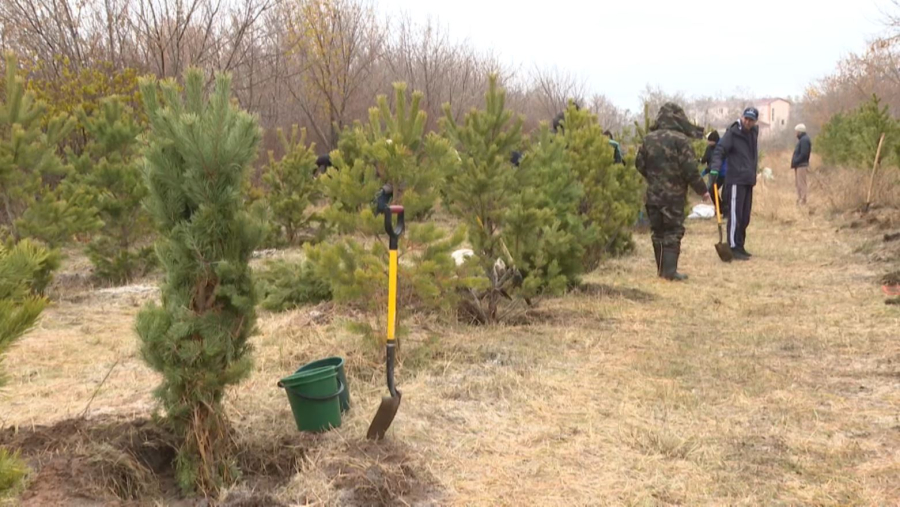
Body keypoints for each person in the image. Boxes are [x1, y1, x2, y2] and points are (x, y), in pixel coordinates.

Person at [636, 102, 711, 281]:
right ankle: (670, 272)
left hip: (653, 195)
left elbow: (639, 164)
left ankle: (662, 271)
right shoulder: (681, 140)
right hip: (674, 196)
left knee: (658, 231)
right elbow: (690, 169)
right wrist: (702, 190)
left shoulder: (648, 139)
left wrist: (654, 178)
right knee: (673, 230)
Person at [709, 107, 759, 261]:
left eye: (751, 120)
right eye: (746, 118)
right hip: (736, 179)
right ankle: (731, 247)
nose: (747, 122)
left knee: (744, 217)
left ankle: (740, 245)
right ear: (742, 117)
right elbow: (719, 150)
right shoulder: (733, 133)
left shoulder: (753, 133)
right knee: (735, 215)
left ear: (754, 121)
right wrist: (715, 169)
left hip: (748, 179)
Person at [700, 130, 728, 215]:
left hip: (726, 173)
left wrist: (704, 172)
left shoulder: (721, 147)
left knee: (725, 194)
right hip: (716, 173)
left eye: (709, 140)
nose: (708, 142)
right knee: (712, 191)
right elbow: (706, 159)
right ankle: (720, 208)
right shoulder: (710, 148)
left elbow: (714, 163)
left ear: (714, 140)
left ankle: (726, 212)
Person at [791, 123, 812, 205]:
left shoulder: (804, 140)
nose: (795, 133)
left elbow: (804, 154)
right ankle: (800, 199)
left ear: (800, 132)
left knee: (802, 183)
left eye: (796, 131)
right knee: (798, 183)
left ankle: (803, 200)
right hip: (799, 165)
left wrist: (796, 161)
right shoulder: (803, 140)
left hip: (801, 165)